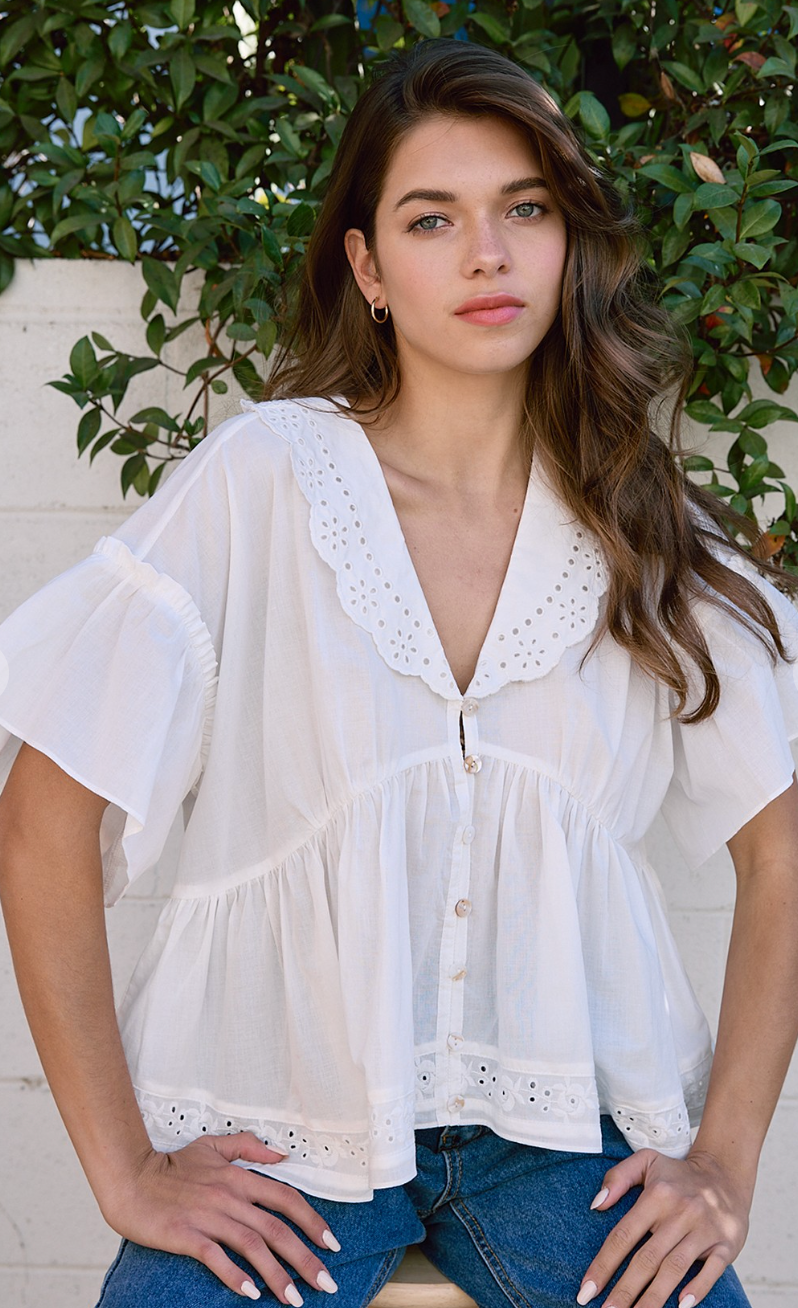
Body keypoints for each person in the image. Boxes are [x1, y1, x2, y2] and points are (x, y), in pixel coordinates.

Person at [0, 35, 797, 1308]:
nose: (487, 252)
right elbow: (44, 817)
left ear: (567, 243)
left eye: (523, 210)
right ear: (367, 267)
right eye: (433, 220)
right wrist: (125, 1170)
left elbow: (784, 850)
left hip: (557, 1147)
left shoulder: (644, 525)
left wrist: (728, 1159)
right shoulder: (264, 482)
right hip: (288, 1125)